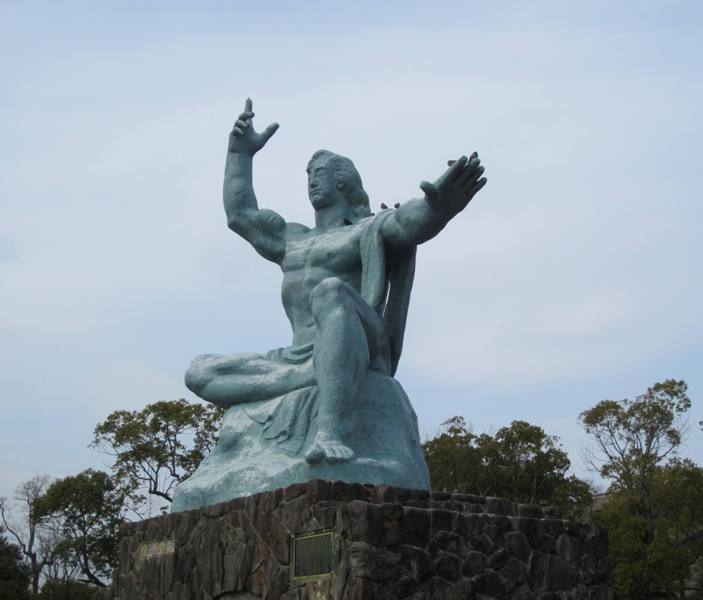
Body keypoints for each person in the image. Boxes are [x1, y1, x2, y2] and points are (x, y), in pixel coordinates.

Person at [185, 98, 487, 464]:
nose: (311, 180)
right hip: (299, 355)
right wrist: (239, 153)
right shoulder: (291, 240)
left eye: (320, 173)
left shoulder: (368, 229)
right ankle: (314, 374)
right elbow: (240, 215)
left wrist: (440, 208)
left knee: (330, 291)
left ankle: (330, 431)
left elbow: (409, 222)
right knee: (200, 371)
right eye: (308, 175)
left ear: (342, 181)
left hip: (362, 340)